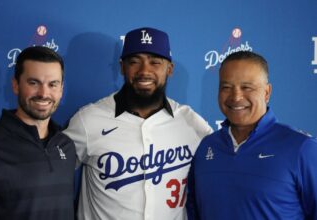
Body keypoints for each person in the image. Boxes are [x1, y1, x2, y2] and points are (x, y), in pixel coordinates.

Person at [64, 27, 213, 220]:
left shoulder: (191, 123)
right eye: (134, 62)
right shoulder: (88, 120)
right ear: (122, 67)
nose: (144, 71)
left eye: (155, 62)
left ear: (170, 69)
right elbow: (49, 176)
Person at [187, 51, 317, 219]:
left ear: (266, 92)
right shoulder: (206, 147)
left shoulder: (302, 148)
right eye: (226, 87)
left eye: (247, 87)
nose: (236, 96)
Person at [0, 46, 76, 220]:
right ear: (15, 85)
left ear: (61, 89)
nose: (44, 93)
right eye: (33, 83)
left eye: (52, 84)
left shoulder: (66, 145)